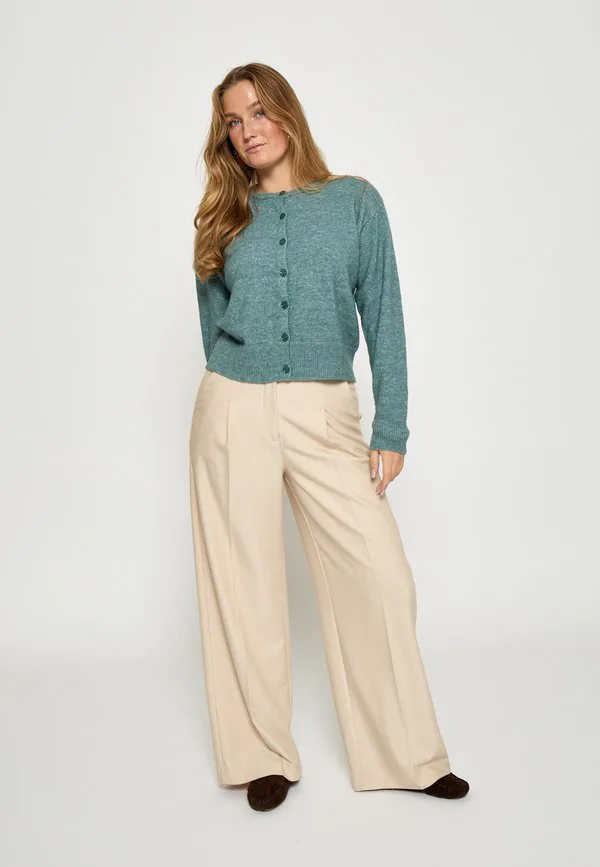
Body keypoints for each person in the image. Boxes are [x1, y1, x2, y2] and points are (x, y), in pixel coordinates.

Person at [189, 62, 469, 812]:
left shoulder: (354, 203)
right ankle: (262, 756)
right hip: (233, 406)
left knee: (380, 575)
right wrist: (238, 396)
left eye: (258, 112)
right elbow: (212, 325)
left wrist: (391, 423)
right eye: (232, 121)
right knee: (245, 584)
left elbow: (386, 316)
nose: (247, 130)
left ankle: (408, 755)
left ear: (287, 111)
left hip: (326, 411)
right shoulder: (223, 216)